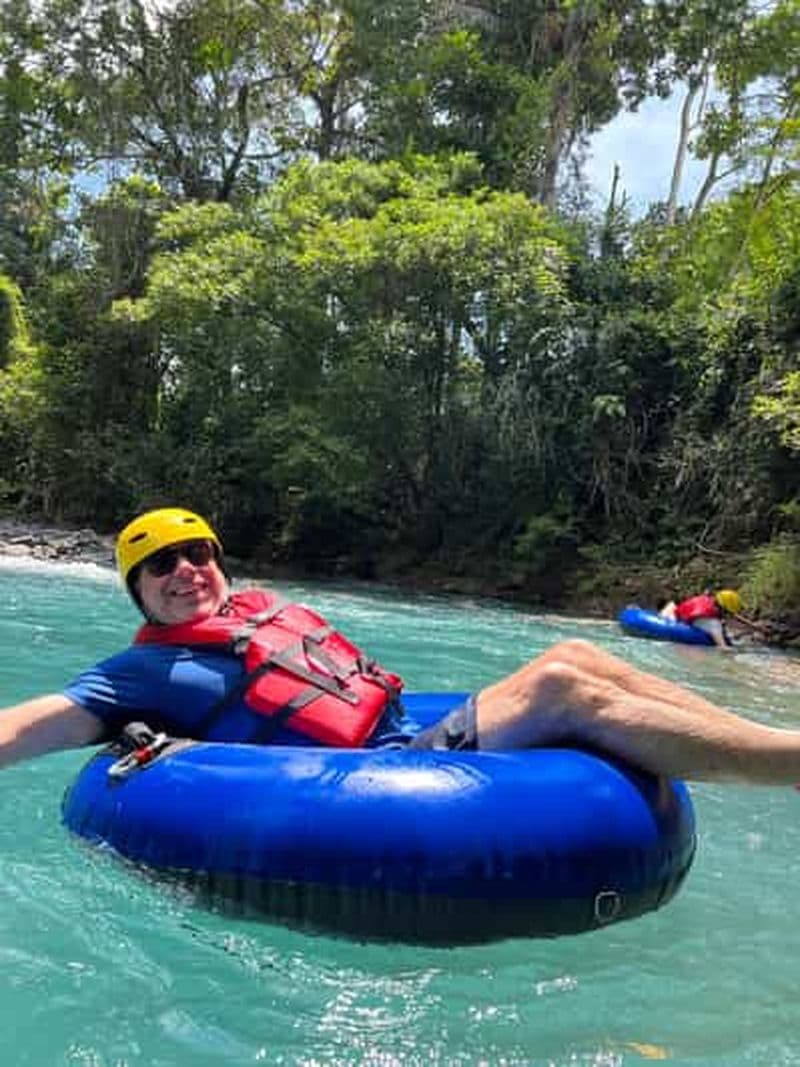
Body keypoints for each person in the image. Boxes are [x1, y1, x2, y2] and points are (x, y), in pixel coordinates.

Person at [0, 507, 799, 785]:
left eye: (198, 554)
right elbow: (38, 720)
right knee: (563, 688)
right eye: (159, 567)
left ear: (221, 565)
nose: (185, 572)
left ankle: (768, 748)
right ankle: (787, 762)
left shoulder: (254, 616)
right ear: (138, 593)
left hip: (396, 735)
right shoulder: (135, 672)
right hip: (368, 774)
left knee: (573, 654)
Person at [659, 588, 744, 648]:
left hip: (676, 608)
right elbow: (722, 646)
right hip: (672, 616)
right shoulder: (713, 623)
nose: (729, 615)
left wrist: (752, 626)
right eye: (728, 613)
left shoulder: (707, 599)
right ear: (722, 609)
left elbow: (731, 615)